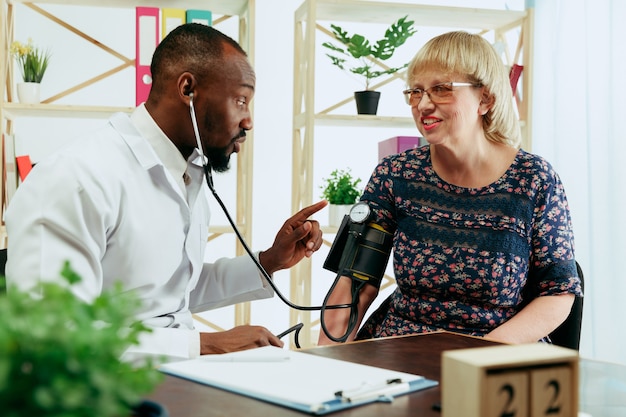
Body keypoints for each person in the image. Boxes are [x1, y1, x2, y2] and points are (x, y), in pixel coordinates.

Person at [4, 23, 328, 362]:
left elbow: (169, 290)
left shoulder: (186, 174)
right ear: (187, 89)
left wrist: (268, 261)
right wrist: (205, 344)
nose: (248, 121)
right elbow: (51, 336)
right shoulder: (75, 177)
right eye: (241, 100)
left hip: (172, 377)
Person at [318, 31, 583, 346]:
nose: (423, 104)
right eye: (416, 91)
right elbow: (356, 281)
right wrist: (326, 359)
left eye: (441, 89)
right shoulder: (395, 175)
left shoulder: (534, 180)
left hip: (493, 354)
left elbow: (559, 294)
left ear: (484, 100)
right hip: (401, 350)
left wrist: (473, 359)